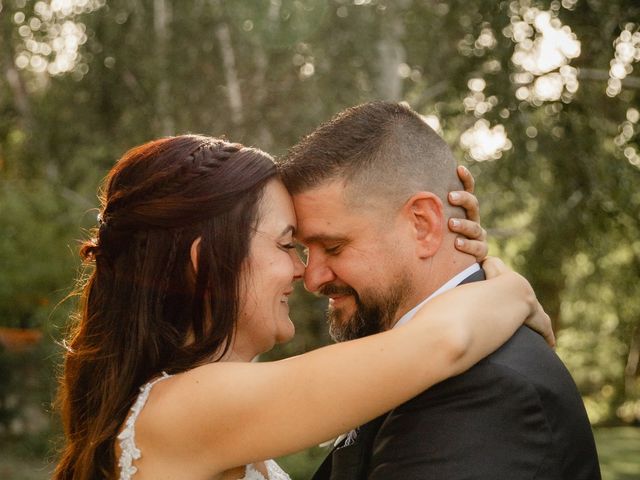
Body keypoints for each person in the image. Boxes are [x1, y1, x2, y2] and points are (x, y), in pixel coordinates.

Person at [54, 134, 551, 480]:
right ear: (204, 266)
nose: (303, 272)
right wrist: (512, 288)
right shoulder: (188, 407)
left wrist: (445, 257)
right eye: (286, 244)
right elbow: (444, 341)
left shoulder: (181, 406)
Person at [279, 101, 601, 480]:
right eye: (302, 249)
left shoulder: (484, 389)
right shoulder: (404, 363)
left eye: (333, 247)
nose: (312, 279)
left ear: (423, 225)